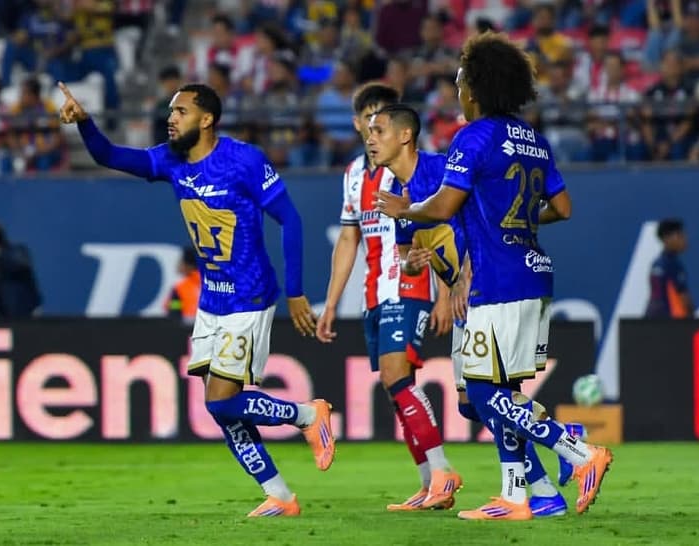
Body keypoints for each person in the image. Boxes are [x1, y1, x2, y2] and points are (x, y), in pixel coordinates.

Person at [60, 81, 335, 517]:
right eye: (171, 111)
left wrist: (296, 291)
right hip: (212, 300)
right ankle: (280, 496)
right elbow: (109, 155)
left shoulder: (243, 160)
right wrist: (85, 123)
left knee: (221, 401)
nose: (171, 118)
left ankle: (307, 415)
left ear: (207, 119)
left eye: (181, 111)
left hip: (249, 294)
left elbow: (290, 219)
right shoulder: (170, 160)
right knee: (221, 410)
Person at [374, 32, 613, 520]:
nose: (458, 93)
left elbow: (445, 205)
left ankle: (578, 451)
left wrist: (406, 210)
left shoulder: (473, 137)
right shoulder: (534, 139)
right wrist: (517, 222)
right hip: (533, 274)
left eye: (461, 83)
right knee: (498, 392)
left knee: (483, 393)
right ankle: (521, 495)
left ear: (477, 88)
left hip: (496, 280)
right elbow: (562, 207)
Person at [316, 83, 460, 511]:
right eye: (369, 120)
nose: (374, 129)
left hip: (409, 284)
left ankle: (443, 472)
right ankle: (428, 483)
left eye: (382, 121)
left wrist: (444, 293)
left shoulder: (409, 168)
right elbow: (349, 239)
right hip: (374, 291)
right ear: (358, 123)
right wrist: (330, 302)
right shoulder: (353, 174)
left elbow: (440, 230)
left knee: (397, 377)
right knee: (396, 386)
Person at [646, 218, 694, 318]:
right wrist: (693, 319)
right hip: (669, 321)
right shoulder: (673, 265)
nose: (684, 240)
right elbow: (684, 298)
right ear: (666, 238)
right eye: (680, 236)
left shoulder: (656, 263)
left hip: (652, 318)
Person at [165, 247, 201, 325]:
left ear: (189, 265)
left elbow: (173, 312)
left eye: (181, 262)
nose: (179, 265)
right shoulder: (214, 282)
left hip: (187, 329)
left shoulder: (180, 287)